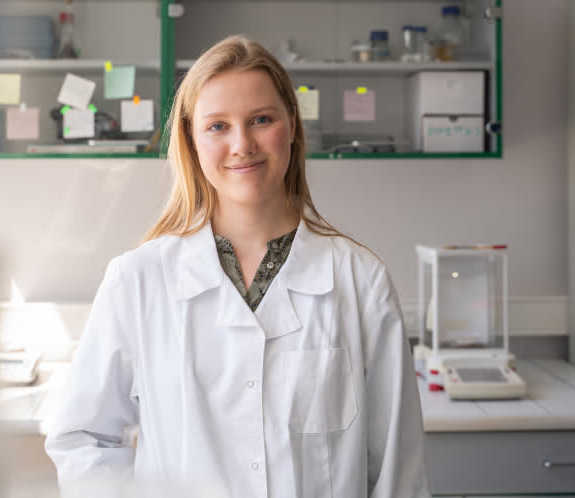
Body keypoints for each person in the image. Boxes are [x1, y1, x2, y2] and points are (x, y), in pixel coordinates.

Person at [45, 35, 430, 498]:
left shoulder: (360, 281)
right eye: (218, 126)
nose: (241, 144)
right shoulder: (139, 281)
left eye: (261, 120)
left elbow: (397, 473)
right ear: (192, 139)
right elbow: (83, 439)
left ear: (291, 126)